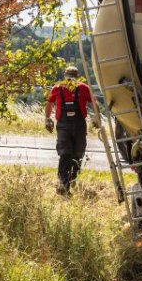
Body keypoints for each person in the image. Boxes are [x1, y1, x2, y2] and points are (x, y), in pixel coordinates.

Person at [45, 65, 93, 194]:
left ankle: (69, 180)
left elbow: (49, 103)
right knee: (70, 154)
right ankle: (65, 184)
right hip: (71, 126)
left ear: (66, 76)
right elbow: (95, 103)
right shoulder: (80, 87)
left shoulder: (63, 87)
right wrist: (97, 119)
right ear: (76, 76)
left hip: (71, 125)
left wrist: (47, 118)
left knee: (72, 154)